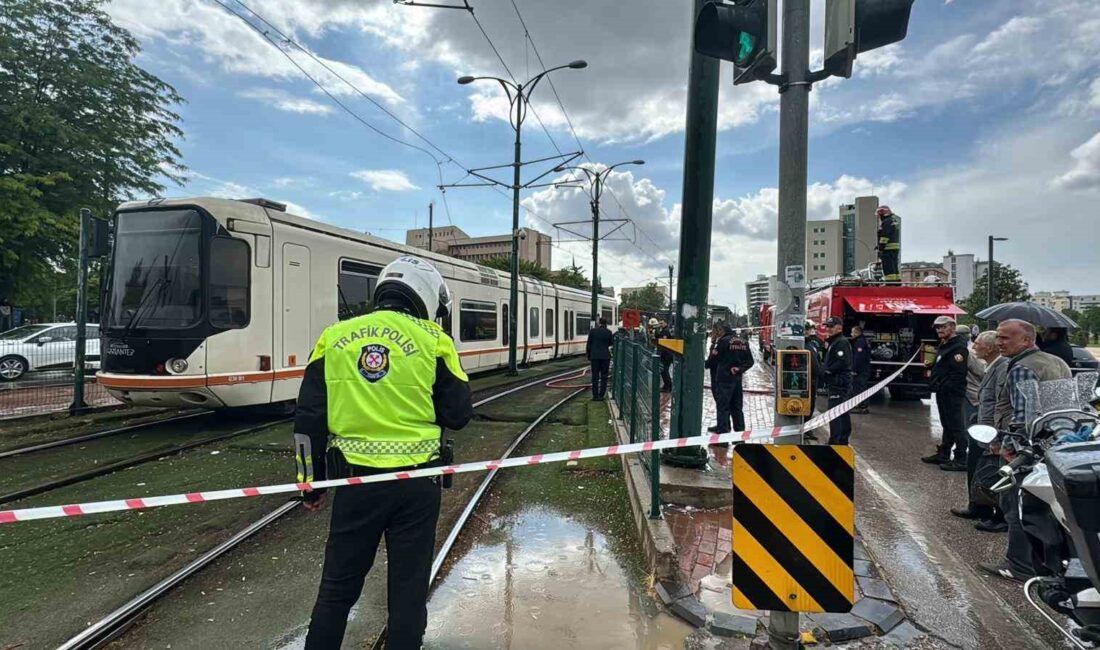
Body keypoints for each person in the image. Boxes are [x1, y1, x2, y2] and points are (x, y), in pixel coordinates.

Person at [295, 255, 474, 649]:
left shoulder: (333, 338)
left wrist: (311, 482)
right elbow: (459, 415)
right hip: (417, 485)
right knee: (408, 592)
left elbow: (307, 419)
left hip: (356, 483)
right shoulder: (434, 340)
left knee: (337, 588)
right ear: (426, 295)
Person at [951, 330, 1004, 527]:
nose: (974, 347)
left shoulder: (1002, 367)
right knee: (976, 466)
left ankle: (996, 513)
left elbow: (1001, 402)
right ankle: (978, 506)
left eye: (978, 344)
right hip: (981, 424)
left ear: (989, 348)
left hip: (991, 430)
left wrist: (994, 433)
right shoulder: (992, 365)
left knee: (990, 469)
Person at [922, 315, 969, 470]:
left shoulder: (958, 347)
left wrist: (944, 385)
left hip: (952, 392)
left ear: (953, 327)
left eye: (943, 327)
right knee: (947, 424)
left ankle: (961, 458)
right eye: (937, 327)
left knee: (956, 425)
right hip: (942, 391)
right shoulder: (945, 344)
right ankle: (943, 453)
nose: (939, 330)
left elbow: (957, 374)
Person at [712, 323, 754, 433]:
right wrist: (739, 369)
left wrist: (713, 344)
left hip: (724, 379)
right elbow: (750, 362)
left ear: (722, 331)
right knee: (737, 408)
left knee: (723, 408)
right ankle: (739, 437)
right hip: (737, 380)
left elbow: (713, 359)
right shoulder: (743, 342)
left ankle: (723, 438)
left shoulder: (723, 342)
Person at [822, 317, 853, 445]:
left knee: (835, 412)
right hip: (837, 381)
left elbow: (842, 362)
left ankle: (836, 441)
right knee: (841, 411)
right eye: (827, 326)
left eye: (831, 326)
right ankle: (842, 439)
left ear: (839, 328)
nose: (828, 329)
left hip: (839, 382)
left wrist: (828, 371)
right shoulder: (835, 342)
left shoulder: (841, 342)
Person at [585, 317, 614, 401]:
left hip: (595, 357)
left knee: (595, 376)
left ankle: (595, 396)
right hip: (605, 357)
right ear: (606, 324)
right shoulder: (609, 332)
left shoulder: (593, 331)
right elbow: (610, 343)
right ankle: (601, 395)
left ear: (599, 323)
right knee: (604, 376)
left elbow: (589, 344)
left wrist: (589, 355)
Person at [849, 325, 871, 414]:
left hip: (860, 370)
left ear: (857, 333)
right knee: (859, 387)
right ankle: (861, 405)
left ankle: (862, 406)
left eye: (852, 332)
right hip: (863, 369)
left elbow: (859, 357)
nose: (851, 334)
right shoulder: (862, 341)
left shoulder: (859, 342)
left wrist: (854, 369)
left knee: (859, 388)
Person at [705, 322, 723, 432]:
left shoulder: (720, 344)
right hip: (715, 374)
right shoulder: (716, 343)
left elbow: (713, 359)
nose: (712, 334)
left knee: (720, 401)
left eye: (713, 332)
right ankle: (721, 424)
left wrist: (706, 364)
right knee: (719, 402)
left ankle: (722, 427)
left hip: (717, 375)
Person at [875, 206, 901, 282]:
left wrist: (881, 247)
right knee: (894, 266)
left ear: (883, 214)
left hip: (888, 248)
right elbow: (891, 234)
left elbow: (885, 235)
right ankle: (896, 282)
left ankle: (890, 283)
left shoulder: (886, 222)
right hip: (894, 248)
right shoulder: (894, 221)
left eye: (879, 215)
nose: (879, 217)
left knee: (888, 266)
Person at [657, 318, 673, 392]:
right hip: (666, 353)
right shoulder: (663, 331)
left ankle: (668, 386)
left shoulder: (665, 331)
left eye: (662, 323)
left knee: (665, 370)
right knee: (663, 371)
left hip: (666, 354)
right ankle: (666, 386)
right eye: (660, 323)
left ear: (665, 323)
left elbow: (664, 342)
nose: (660, 325)